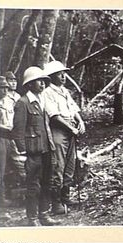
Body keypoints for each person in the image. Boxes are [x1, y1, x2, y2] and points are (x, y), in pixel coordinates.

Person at [12, 66, 59, 226]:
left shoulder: (42, 101)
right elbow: (18, 131)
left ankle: (44, 215)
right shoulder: (23, 103)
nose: (42, 84)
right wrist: (23, 151)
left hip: (46, 149)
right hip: (32, 152)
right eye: (38, 81)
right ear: (29, 84)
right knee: (33, 186)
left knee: (47, 182)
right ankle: (32, 218)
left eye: (44, 81)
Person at [42, 60, 85, 214]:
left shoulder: (64, 91)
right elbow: (54, 116)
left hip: (70, 129)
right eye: (60, 74)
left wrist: (80, 122)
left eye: (64, 74)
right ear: (52, 76)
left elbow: (73, 109)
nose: (63, 77)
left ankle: (66, 196)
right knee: (57, 166)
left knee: (70, 164)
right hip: (59, 130)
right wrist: (71, 128)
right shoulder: (47, 93)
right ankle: (56, 203)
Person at [4, 71, 26, 192]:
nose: (13, 83)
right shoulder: (3, 97)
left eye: (15, 80)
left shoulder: (18, 97)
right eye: (10, 80)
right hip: (7, 132)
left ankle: (20, 187)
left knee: (20, 159)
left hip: (19, 132)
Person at [0, 76, 13, 207]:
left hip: (10, 138)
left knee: (10, 167)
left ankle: (7, 195)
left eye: (6, 88)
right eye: (1, 88)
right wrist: (6, 128)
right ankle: (0, 199)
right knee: (0, 169)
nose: (4, 90)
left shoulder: (8, 101)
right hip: (0, 137)